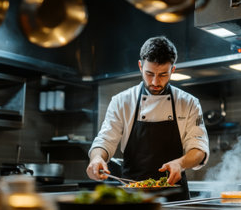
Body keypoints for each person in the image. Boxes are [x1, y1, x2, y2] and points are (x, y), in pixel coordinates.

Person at [86, 36, 209, 201]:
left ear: (173, 70)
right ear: (140, 66)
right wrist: (97, 158)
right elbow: (105, 140)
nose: (155, 81)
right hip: (132, 197)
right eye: (149, 73)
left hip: (175, 198)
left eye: (163, 74)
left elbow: (199, 149)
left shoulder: (189, 103)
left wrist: (179, 164)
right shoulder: (122, 101)